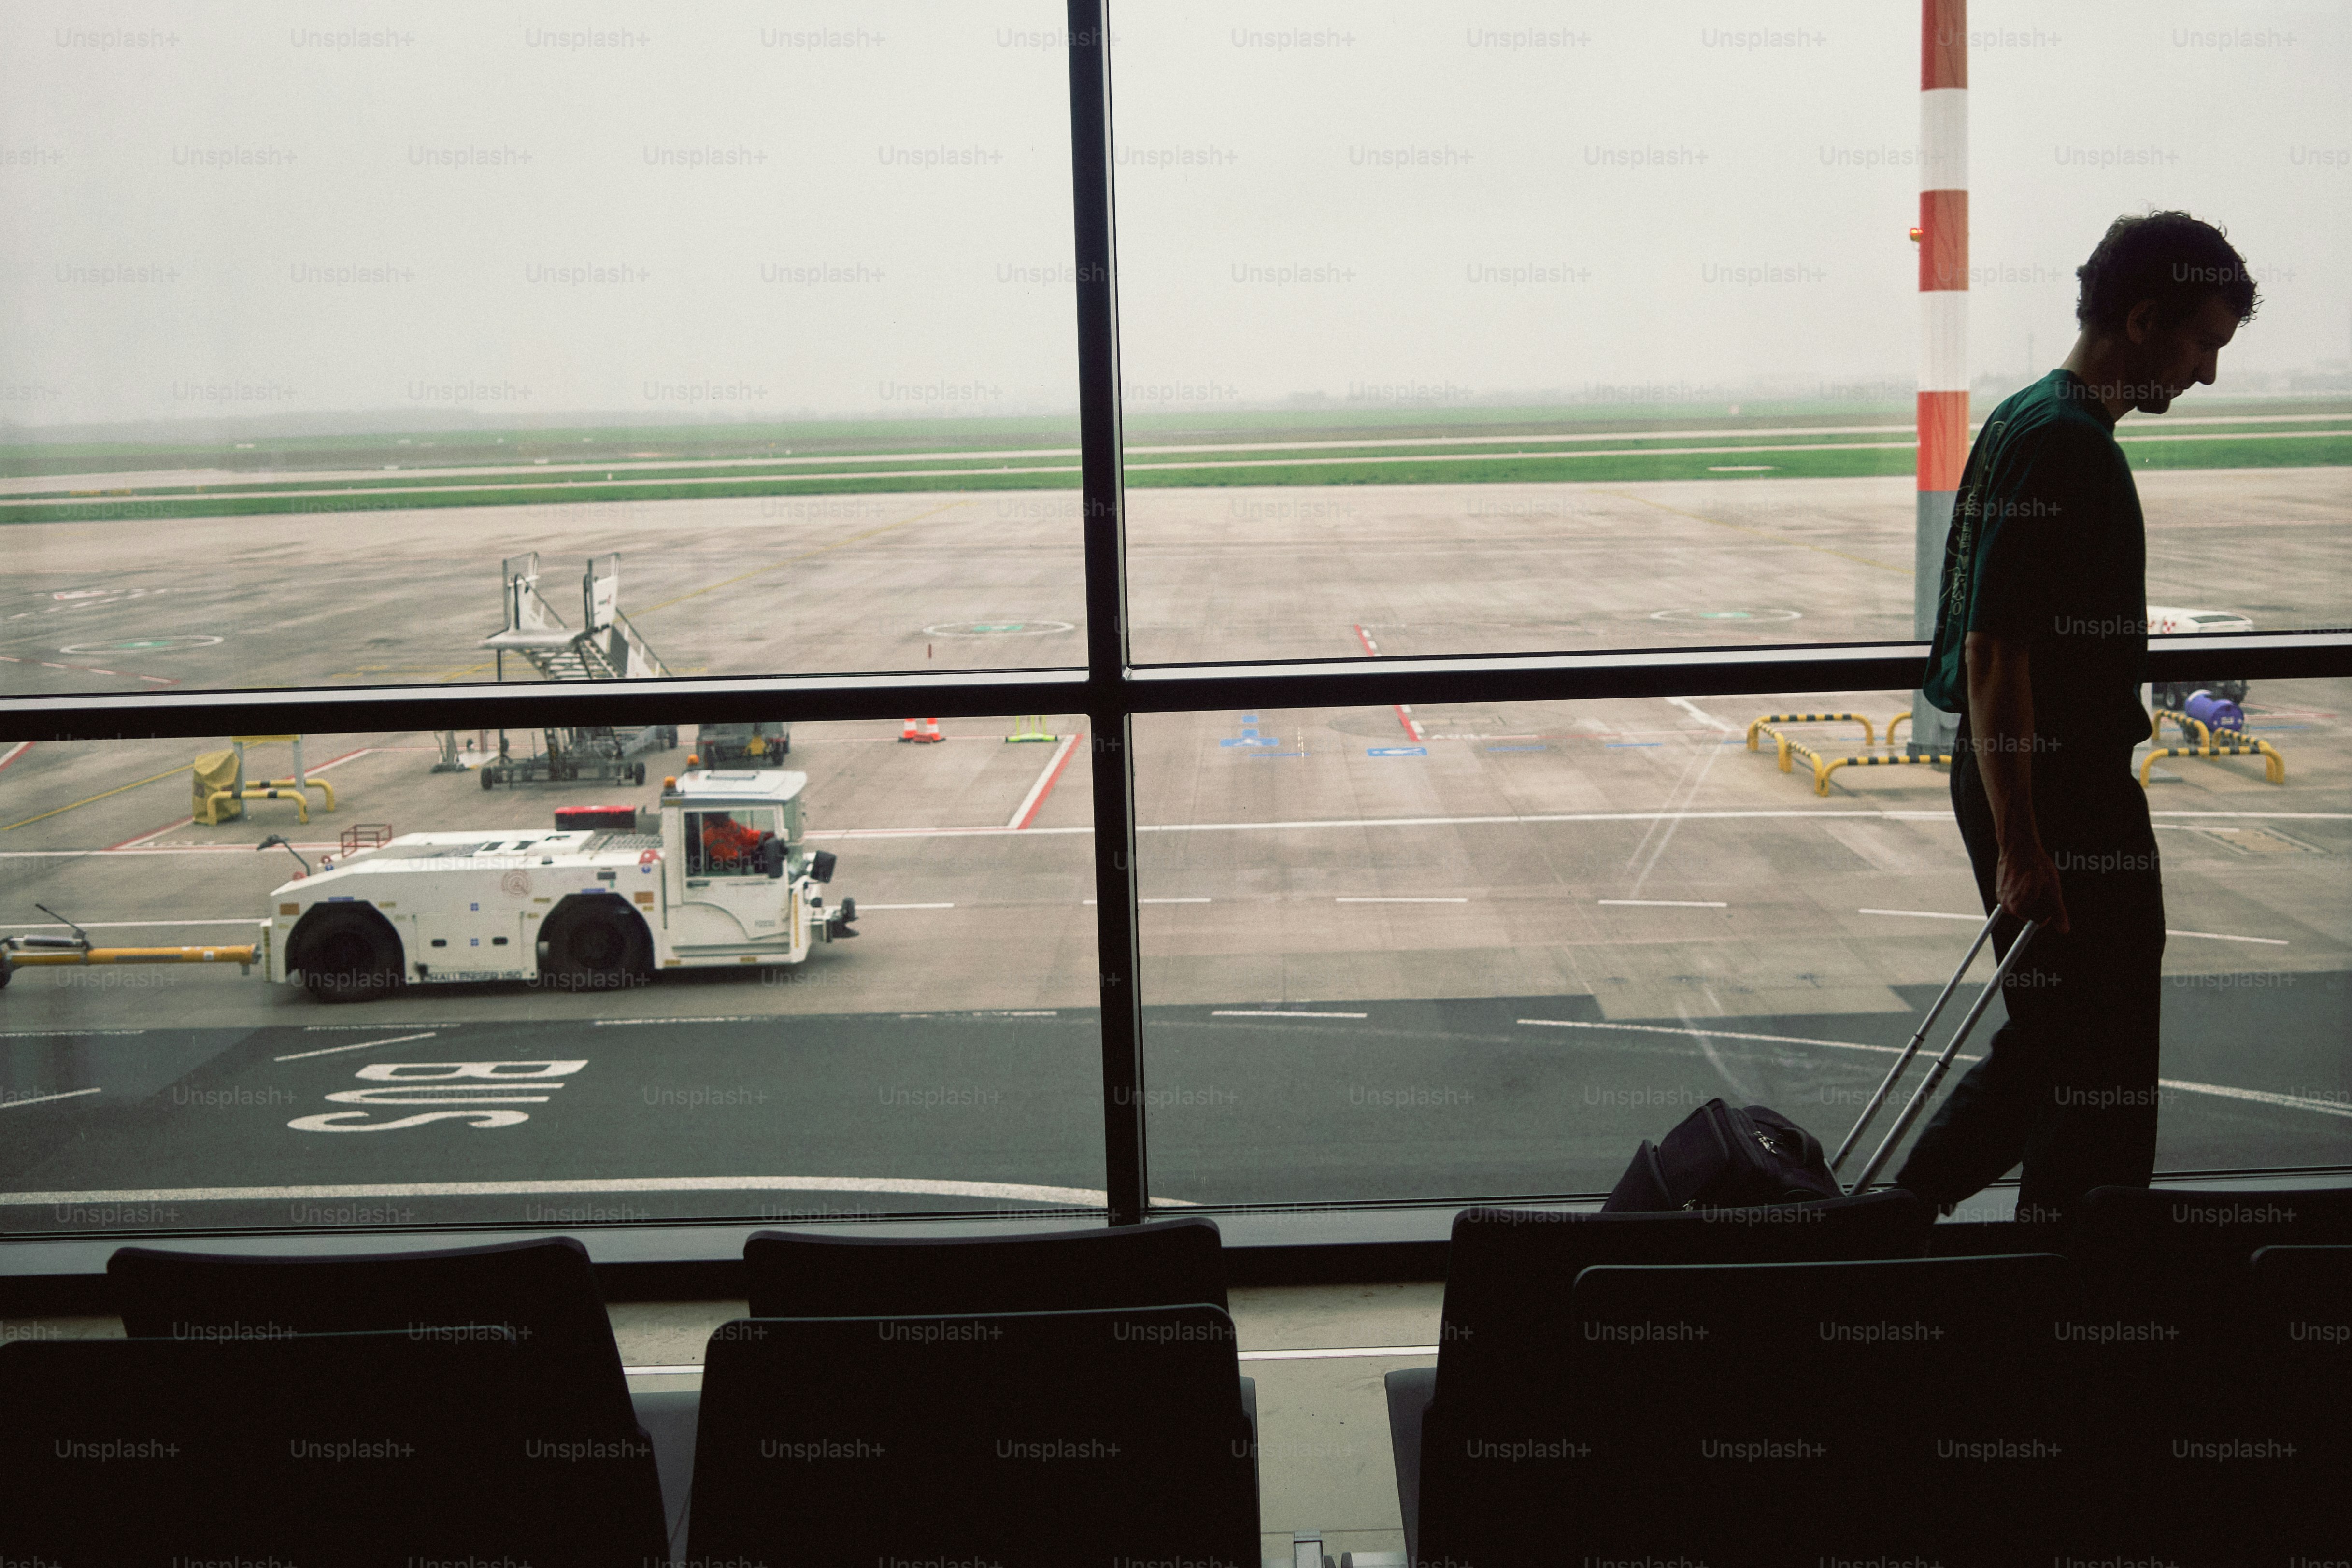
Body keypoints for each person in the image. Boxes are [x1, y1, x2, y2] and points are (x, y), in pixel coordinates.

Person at [1895, 212, 2258, 1227]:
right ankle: (2063, 1263)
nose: (2205, 375)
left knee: (2058, 1040)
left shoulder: (2026, 416)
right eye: (2200, 345)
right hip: (2058, 796)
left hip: (2026, 783)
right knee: (2099, 1055)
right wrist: (2023, 842)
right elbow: (1993, 653)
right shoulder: (2069, 448)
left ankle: (1928, 1224)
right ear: (2142, 321)